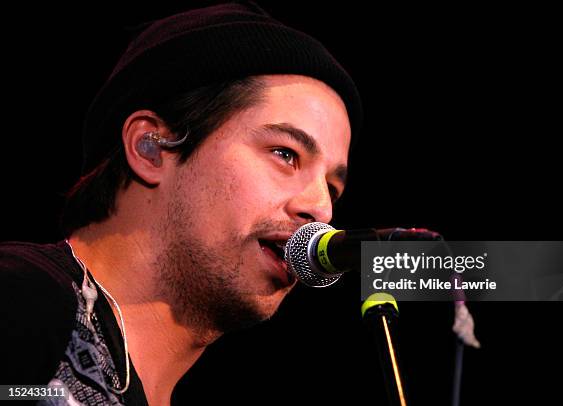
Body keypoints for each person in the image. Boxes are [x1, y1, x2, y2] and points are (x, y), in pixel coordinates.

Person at [0, 3, 362, 405]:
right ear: (151, 148)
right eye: (285, 153)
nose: (322, 210)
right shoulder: (22, 300)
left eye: (332, 187)